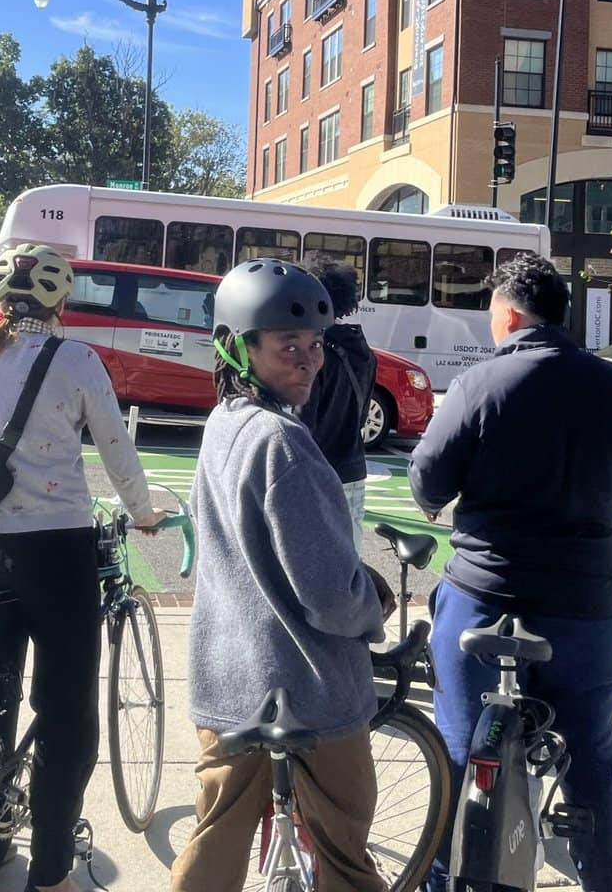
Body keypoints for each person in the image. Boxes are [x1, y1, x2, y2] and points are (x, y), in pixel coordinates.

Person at [410, 253, 612, 892]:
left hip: (484, 594)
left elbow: (427, 479)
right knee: (591, 754)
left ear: (507, 313)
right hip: (584, 604)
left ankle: (441, 879)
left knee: (456, 748)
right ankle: (606, 882)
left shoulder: (481, 384)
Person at [0, 242, 165, 892]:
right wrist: (142, 512)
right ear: (60, 301)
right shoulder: (75, 358)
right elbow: (115, 446)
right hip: (57, 551)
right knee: (64, 714)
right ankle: (50, 874)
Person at [171, 259, 392, 892]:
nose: (309, 360)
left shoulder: (224, 423)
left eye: (315, 344)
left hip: (227, 683)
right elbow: (328, 596)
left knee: (213, 841)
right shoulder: (284, 444)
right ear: (237, 348)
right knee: (345, 856)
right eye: (286, 345)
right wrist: (371, 605)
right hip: (309, 690)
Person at [297, 257, 377, 546]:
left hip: (313, 474)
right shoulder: (362, 350)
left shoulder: (312, 355)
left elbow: (302, 423)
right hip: (353, 468)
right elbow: (362, 413)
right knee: (347, 566)